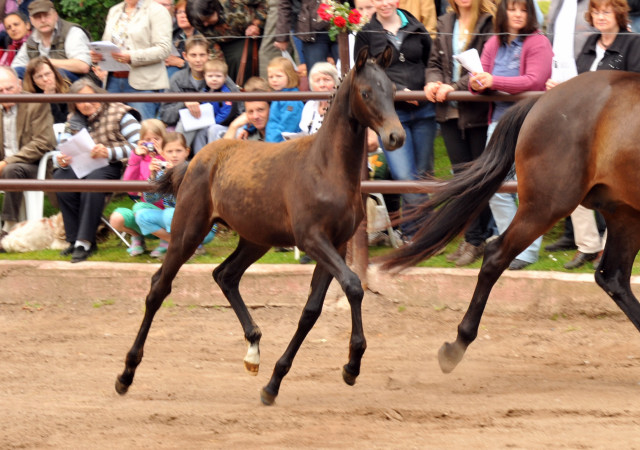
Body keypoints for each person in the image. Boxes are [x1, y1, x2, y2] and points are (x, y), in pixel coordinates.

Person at [546, 0, 640, 269]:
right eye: (596, 11)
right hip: (587, 132)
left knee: (621, 195)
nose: (600, 16)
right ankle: (587, 244)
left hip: (624, 135)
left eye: (606, 11)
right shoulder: (587, 48)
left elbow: (633, 89)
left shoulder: (633, 44)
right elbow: (579, 87)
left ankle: (610, 249)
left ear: (619, 15)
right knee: (569, 180)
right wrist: (561, 88)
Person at [469, 0, 552, 270]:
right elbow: (482, 80)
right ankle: (513, 244)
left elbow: (535, 81)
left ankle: (525, 252)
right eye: (512, 9)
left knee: (528, 189)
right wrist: (477, 82)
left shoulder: (538, 42)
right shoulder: (493, 43)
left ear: (530, 14)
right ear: (503, 13)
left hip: (531, 124)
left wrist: (494, 81)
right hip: (499, 125)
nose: (517, 14)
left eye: (523, 9)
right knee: (494, 187)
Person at [354, 0, 436, 239]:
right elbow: (364, 74)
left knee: (422, 174)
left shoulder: (417, 27)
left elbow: (431, 63)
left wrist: (429, 85)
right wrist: (397, 89)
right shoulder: (366, 34)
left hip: (424, 111)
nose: (384, 3)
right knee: (403, 175)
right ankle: (430, 231)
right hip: (390, 114)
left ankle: (411, 234)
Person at [424, 0, 495, 266]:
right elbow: (433, 62)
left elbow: (485, 68)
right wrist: (432, 81)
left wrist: (453, 86)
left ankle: (478, 239)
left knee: (480, 176)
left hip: (476, 111)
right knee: (461, 176)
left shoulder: (489, 22)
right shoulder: (445, 22)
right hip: (448, 111)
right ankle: (472, 237)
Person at [53, 79, 142, 263]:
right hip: (82, 165)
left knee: (93, 181)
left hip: (114, 164)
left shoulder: (120, 113)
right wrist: (62, 159)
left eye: (90, 97)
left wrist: (109, 152)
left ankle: (85, 241)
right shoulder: (74, 119)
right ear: (74, 104)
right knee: (61, 178)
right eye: (80, 101)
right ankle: (74, 239)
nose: (87, 104)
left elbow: (139, 145)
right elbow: (63, 146)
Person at [135, 131, 217, 259]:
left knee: (170, 214)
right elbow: (150, 200)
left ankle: (185, 248)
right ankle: (183, 246)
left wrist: (174, 176)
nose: (174, 155)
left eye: (178, 151)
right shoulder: (162, 172)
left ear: (187, 152)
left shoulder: (195, 169)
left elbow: (192, 202)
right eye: (169, 151)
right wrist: (152, 175)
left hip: (201, 226)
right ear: (163, 153)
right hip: (174, 221)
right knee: (141, 216)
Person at [92, 0, 172, 120]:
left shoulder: (157, 10)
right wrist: (98, 56)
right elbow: (107, 43)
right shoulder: (114, 11)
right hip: (112, 81)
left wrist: (132, 57)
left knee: (143, 132)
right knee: (112, 130)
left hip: (143, 84)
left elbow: (164, 49)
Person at [0, 65, 55, 236]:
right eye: (0, 90)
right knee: (10, 169)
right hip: (4, 164)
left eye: (9, 88)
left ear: (19, 84)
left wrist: (6, 161)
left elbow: (43, 143)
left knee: (12, 169)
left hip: (33, 165)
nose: (5, 93)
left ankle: (7, 227)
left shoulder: (36, 104)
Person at [110, 118, 167, 256]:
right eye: (148, 139)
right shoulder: (140, 158)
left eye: (156, 139)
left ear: (164, 139)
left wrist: (163, 156)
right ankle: (138, 238)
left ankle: (166, 241)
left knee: (139, 208)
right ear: (141, 141)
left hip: (166, 214)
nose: (152, 143)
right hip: (143, 215)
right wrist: (135, 157)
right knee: (116, 218)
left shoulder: (170, 156)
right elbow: (130, 187)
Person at [186, 0, 267, 83]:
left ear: (214, 9)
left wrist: (257, 23)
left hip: (250, 36)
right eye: (202, 23)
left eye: (207, 19)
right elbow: (213, 51)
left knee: (239, 57)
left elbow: (264, 3)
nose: (205, 24)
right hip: (222, 44)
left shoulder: (232, 2)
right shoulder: (200, 23)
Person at [11, 0, 92, 82]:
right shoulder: (31, 40)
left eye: (46, 15)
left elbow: (83, 66)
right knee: (16, 73)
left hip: (80, 84)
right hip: (43, 83)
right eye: (37, 17)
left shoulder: (72, 32)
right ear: (32, 20)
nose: (43, 20)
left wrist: (45, 62)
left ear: (55, 15)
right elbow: (15, 68)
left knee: (55, 73)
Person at [158, 34, 209, 138]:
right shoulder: (178, 79)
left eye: (202, 55)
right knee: (188, 119)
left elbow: (236, 105)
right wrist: (184, 104)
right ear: (185, 56)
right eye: (193, 55)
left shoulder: (218, 75)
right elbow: (165, 115)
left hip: (212, 125)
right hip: (183, 128)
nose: (198, 60)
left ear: (208, 55)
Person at [190, 58, 241, 153]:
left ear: (225, 77)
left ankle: (211, 155)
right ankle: (199, 156)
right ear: (204, 76)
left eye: (218, 76)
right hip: (211, 122)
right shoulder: (205, 91)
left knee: (212, 129)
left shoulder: (226, 92)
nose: (214, 79)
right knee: (200, 132)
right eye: (210, 76)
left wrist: (213, 122)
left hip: (225, 125)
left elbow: (226, 113)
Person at [264, 56, 303, 143]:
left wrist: (274, 143)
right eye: (271, 77)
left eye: (278, 76)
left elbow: (288, 126)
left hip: (281, 144)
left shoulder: (292, 99)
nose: (274, 80)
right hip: (272, 141)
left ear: (289, 76)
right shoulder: (278, 94)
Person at [22, 55, 69, 124]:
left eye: (48, 74)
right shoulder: (28, 97)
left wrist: (51, 99)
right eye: (39, 76)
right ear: (33, 80)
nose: (45, 79)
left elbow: (62, 122)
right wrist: (48, 98)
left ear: (54, 73)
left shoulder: (68, 90)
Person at [223, 76, 270, 140]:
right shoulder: (246, 133)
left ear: (270, 108)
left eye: (260, 110)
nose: (255, 116)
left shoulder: (280, 131)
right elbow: (224, 149)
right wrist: (233, 126)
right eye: (250, 111)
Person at [298, 62, 339, 135]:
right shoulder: (309, 105)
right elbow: (304, 133)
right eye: (317, 81)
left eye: (327, 80)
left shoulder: (341, 106)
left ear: (336, 82)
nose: (322, 85)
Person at [165, 0, 202, 80]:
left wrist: (181, 63)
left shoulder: (202, 36)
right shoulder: (176, 34)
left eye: (186, 12)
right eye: (179, 12)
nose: (182, 16)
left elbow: (207, 67)